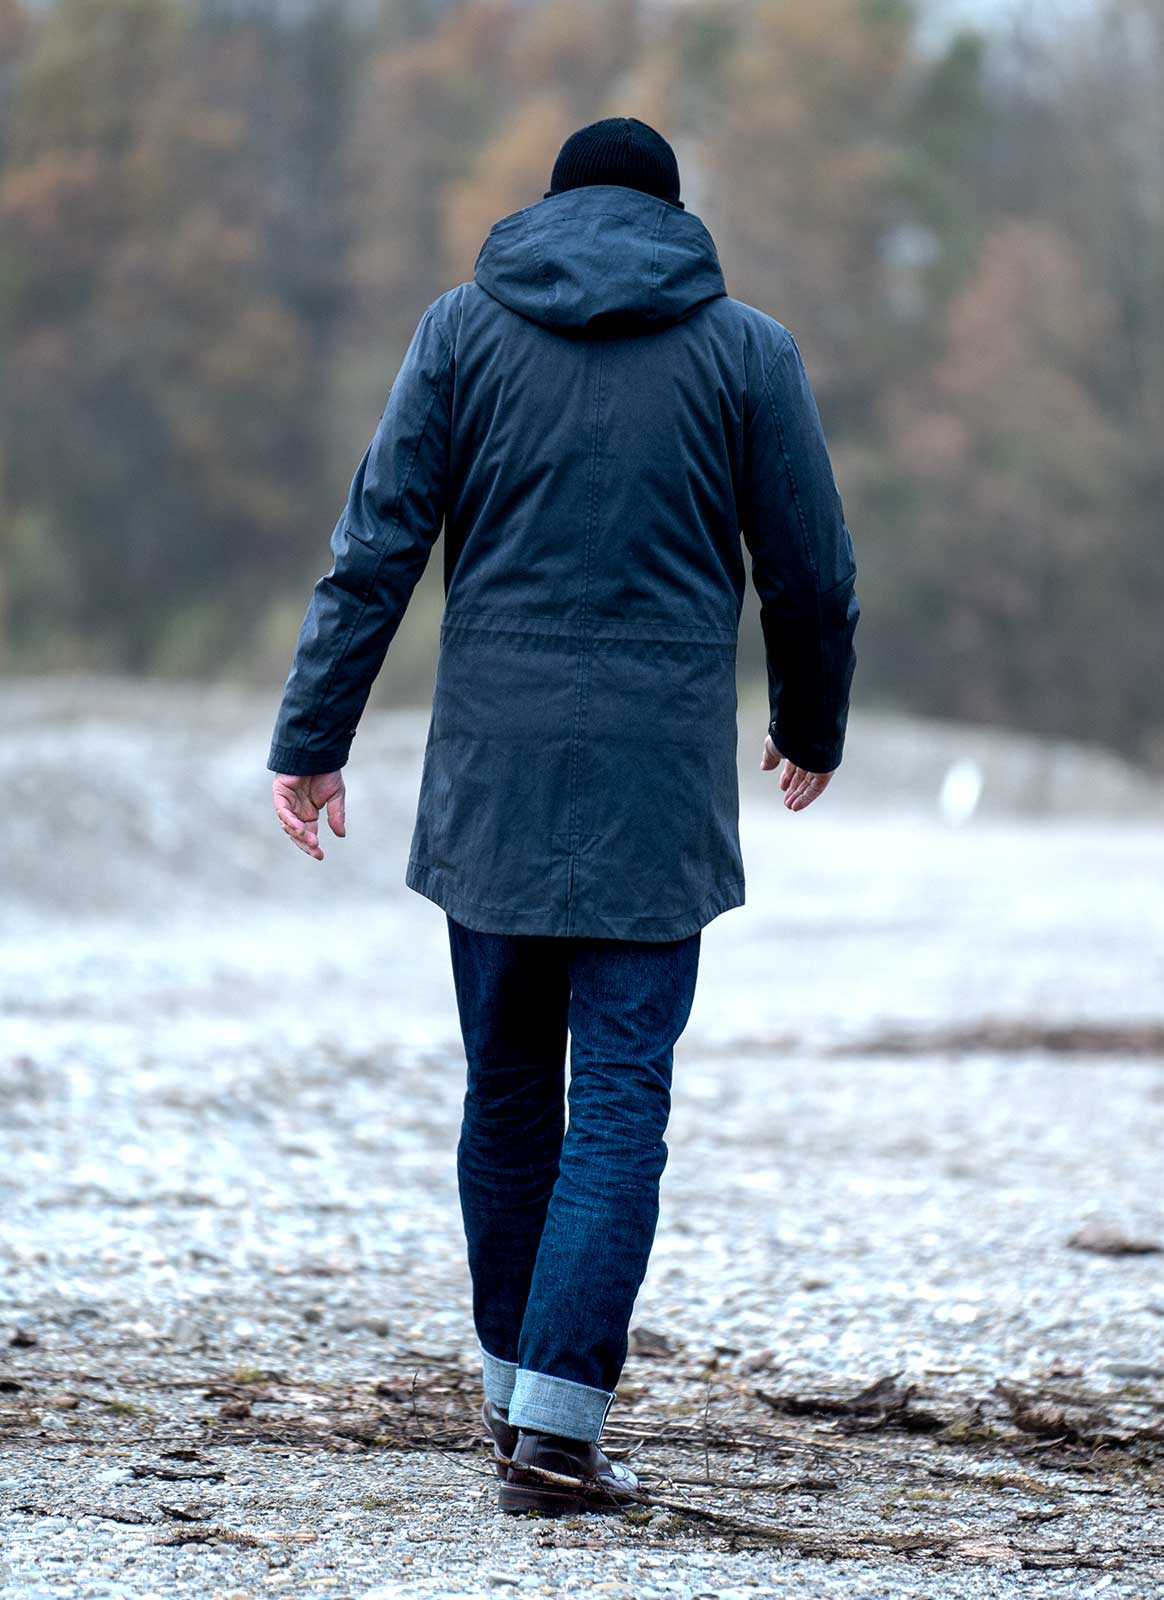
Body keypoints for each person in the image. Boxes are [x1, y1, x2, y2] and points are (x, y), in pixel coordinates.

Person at [267, 116, 859, 1515]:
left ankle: (513, 1396)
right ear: (672, 213)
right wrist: (809, 725)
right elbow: (812, 573)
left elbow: (377, 552)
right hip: (655, 788)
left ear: (551, 208)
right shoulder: (746, 353)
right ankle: (558, 1427)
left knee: (511, 1089)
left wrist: (312, 737)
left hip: (495, 781)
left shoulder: (462, 332)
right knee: (620, 1101)